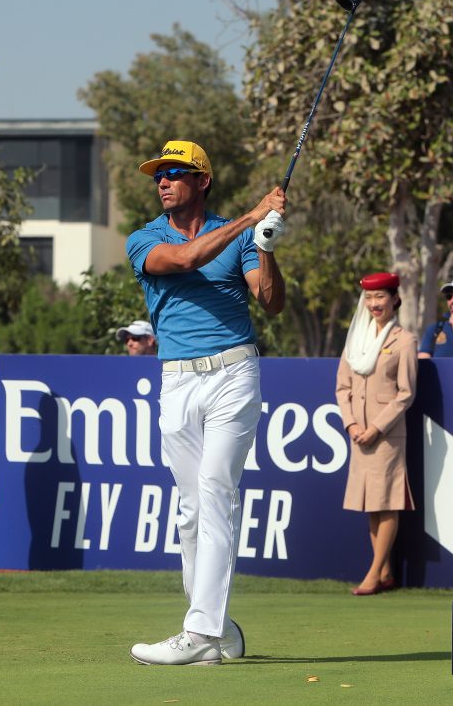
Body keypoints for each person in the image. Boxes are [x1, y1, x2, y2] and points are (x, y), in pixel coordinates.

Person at [125, 140, 286, 666]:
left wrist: (265, 242)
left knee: (217, 490)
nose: (163, 182)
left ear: (202, 181)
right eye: (159, 175)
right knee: (191, 512)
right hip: (176, 380)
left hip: (234, 373)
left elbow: (272, 302)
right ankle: (223, 632)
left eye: (175, 173)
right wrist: (251, 217)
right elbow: (189, 258)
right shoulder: (143, 239)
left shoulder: (238, 238)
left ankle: (198, 634)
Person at [336, 272, 418, 596]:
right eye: (369, 298)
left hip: (386, 436)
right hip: (359, 435)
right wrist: (352, 425)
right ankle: (384, 571)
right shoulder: (355, 338)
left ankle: (373, 574)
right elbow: (342, 387)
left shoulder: (405, 340)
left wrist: (376, 427)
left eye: (380, 297)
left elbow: (405, 393)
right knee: (372, 504)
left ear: (395, 299)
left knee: (387, 503)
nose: (374, 304)